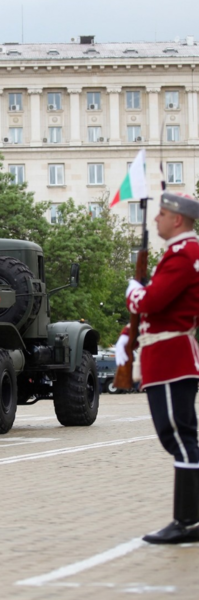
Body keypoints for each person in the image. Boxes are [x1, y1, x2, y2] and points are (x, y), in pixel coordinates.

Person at [115, 191, 199, 544]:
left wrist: (133, 292)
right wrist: (125, 335)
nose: (156, 220)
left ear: (177, 219)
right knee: (180, 437)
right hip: (167, 355)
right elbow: (159, 308)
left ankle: (187, 521)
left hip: (171, 358)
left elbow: (152, 301)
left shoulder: (184, 254)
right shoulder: (179, 254)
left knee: (178, 438)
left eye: (161, 214)